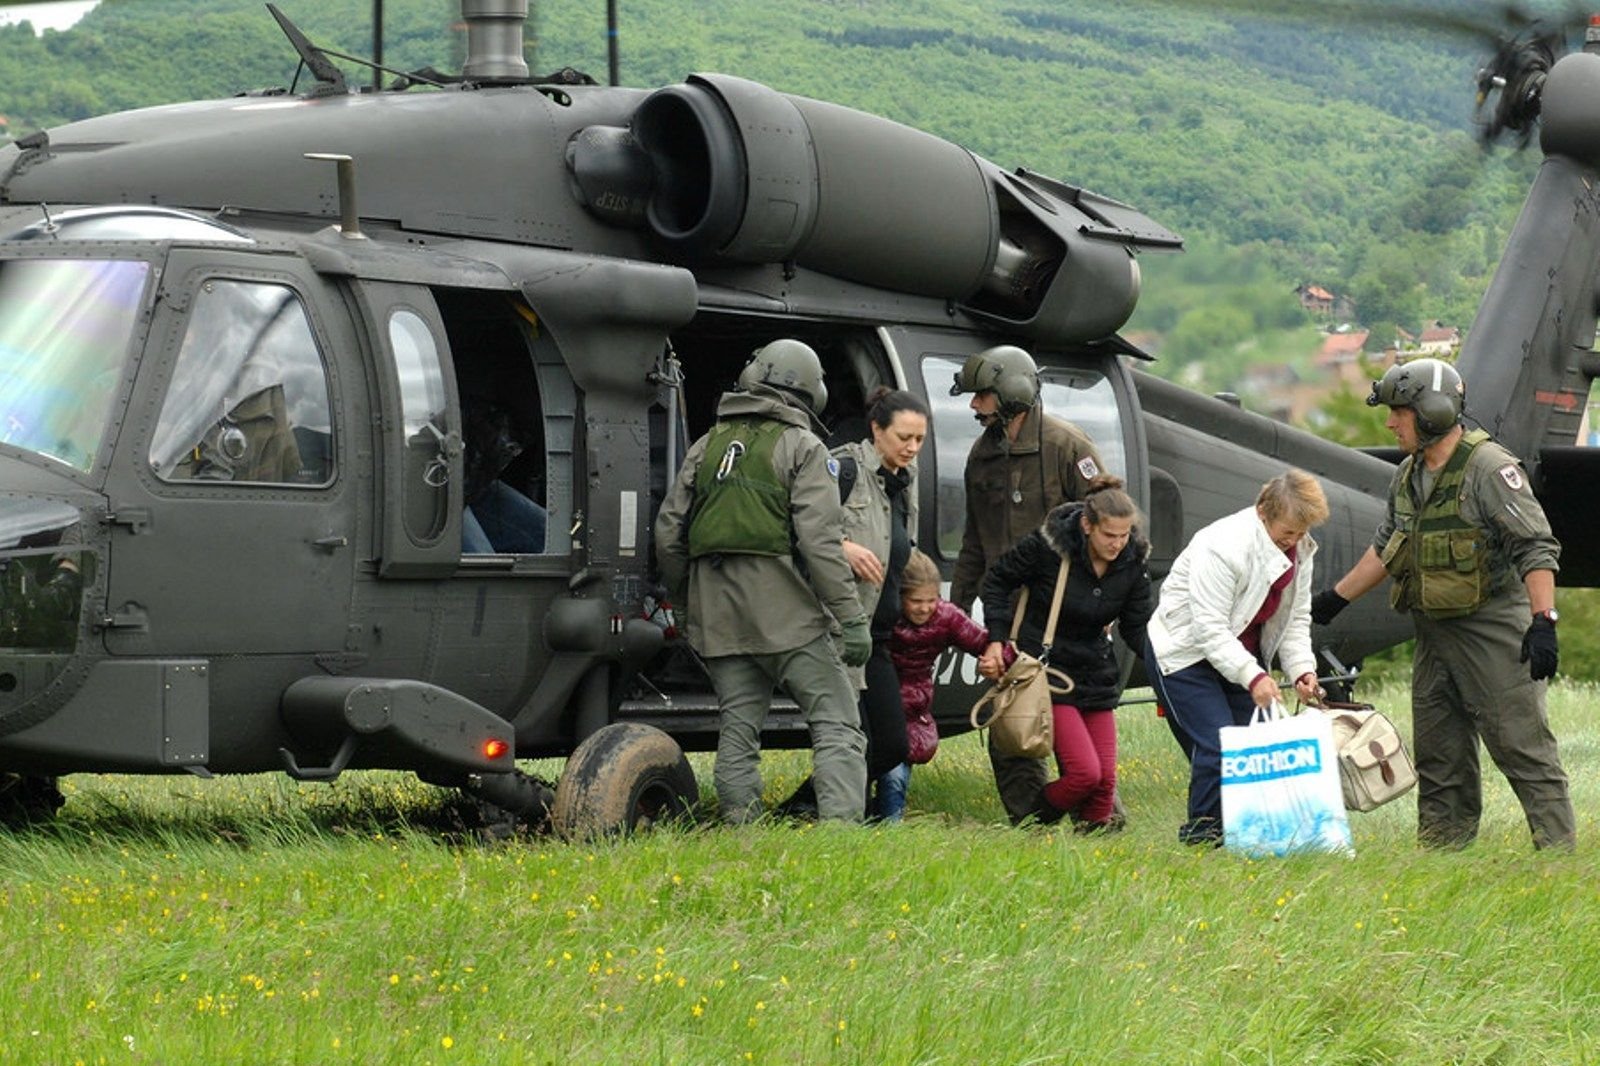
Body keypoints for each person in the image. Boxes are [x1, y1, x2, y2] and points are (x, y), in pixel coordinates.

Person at [1310, 358, 1574, 851]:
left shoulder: (1490, 470)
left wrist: (1543, 621)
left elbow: (1536, 547)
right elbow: (1389, 546)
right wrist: (1333, 600)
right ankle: (1442, 854)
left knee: (1520, 745)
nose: (1390, 423)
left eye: (1399, 412)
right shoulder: (1408, 474)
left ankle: (1557, 855)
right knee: (1439, 750)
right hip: (1433, 631)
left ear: (1430, 411)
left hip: (1491, 629)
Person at [654, 339, 872, 824]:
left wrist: (688, 605)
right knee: (837, 722)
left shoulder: (706, 445)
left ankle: (742, 831)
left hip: (720, 618)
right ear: (808, 390)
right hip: (788, 619)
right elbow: (821, 543)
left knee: (738, 728)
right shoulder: (803, 446)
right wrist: (851, 619)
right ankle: (841, 837)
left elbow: (669, 532)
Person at [948, 343, 1109, 824]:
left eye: (982, 396)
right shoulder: (981, 457)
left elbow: (1110, 524)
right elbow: (975, 540)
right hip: (1009, 617)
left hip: (1066, 615)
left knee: (1073, 718)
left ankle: (1100, 817)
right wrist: (958, 612)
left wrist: (1102, 605)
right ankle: (1031, 821)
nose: (974, 406)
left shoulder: (1068, 446)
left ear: (1011, 393)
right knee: (1013, 722)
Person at [1144, 469, 1329, 846]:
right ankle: (1202, 841)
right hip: (1184, 653)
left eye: (1301, 532)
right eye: (1287, 532)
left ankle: (1251, 837)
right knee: (1218, 746)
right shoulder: (1223, 545)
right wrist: (1255, 677)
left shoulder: (1300, 550)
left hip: (1238, 655)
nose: (1292, 541)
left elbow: (1295, 619)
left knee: (1256, 747)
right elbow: (1209, 629)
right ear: (1263, 511)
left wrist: (1301, 669)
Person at [779, 387, 929, 820]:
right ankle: (834, 822)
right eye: (904, 437)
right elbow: (793, 530)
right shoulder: (840, 469)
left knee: (891, 746)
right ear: (876, 430)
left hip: (879, 636)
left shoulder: (906, 479)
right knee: (850, 738)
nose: (912, 448)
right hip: (837, 630)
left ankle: (804, 806)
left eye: (919, 439)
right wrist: (841, 547)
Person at [978, 477, 1153, 830]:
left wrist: (1166, 665)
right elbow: (996, 580)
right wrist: (996, 639)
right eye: (1109, 536)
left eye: (1124, 535)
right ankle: (1033, 825)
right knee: (1085, 774)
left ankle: (1093, 859)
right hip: (1048, 672)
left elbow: (1136, 627)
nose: (1118, 544)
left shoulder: (1132, 560)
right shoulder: (1048, 548)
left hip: (1096, 669)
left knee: (1105, 782)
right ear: (1088, 526)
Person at [879, 551, 991, 820]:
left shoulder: (945, 617)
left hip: (913, 706)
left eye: (931, 600)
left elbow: (982, 641)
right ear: (899, 596)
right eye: (916, 601)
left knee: (895, 772)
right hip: (879, 697)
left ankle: (889, 826)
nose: (924, 608)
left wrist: (1001, 658)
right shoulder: (884, 613)